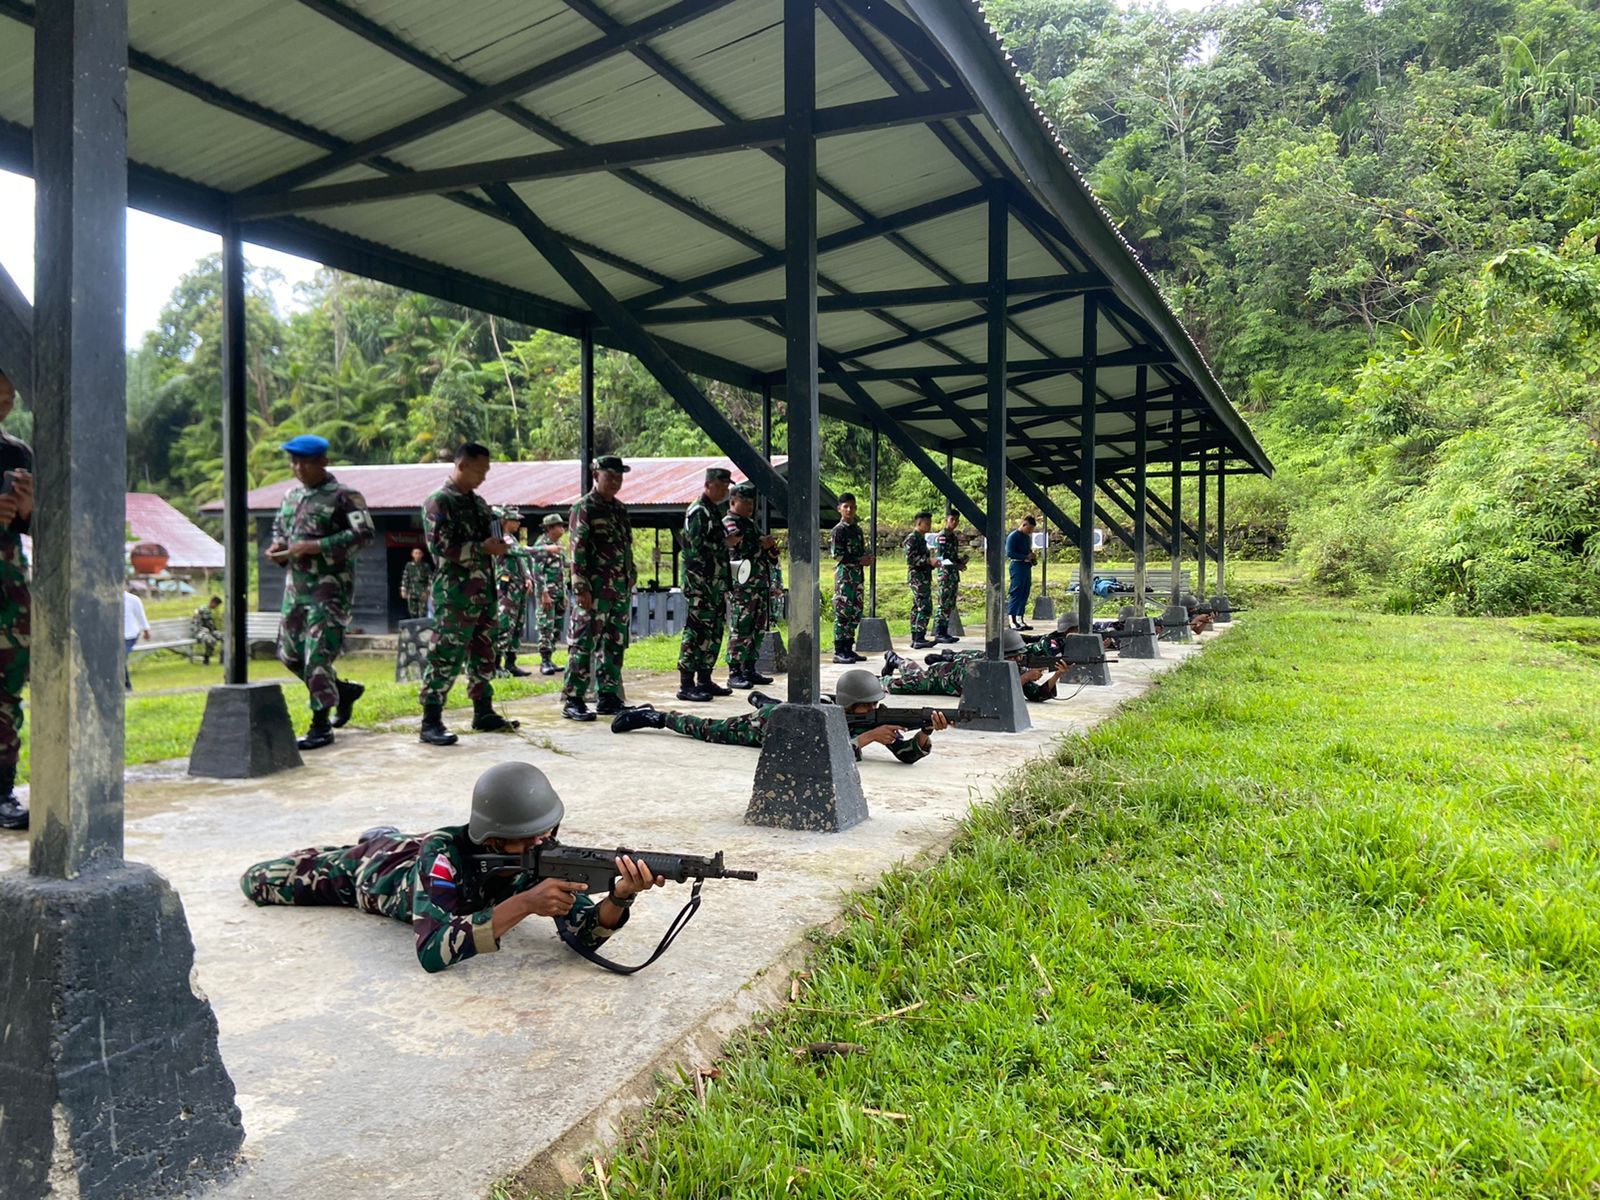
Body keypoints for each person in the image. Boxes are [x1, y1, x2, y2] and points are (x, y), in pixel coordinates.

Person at [239, 762, 666, 974]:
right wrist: (523, 904)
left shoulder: (541, 854)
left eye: (546, 831)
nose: (542, 842)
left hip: (412, 853)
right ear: (494, 836)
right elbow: (431, 951)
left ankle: (382, 833)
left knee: (396, 840)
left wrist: (618, 896)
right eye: (529, 836)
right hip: (369, 874)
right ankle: (375, 839)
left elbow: (586, 932)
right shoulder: (441, 856)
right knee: (257, 881)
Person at [267, 434, 375, 750]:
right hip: (296, 589)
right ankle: (341, 690)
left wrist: (315, 546)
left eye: (305, 462)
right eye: (294, 462)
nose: (298, 468)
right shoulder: (291, 497)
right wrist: (277, 547)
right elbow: (279, 531)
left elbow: (364, 535)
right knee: (288, 655)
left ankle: (320, 725)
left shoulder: (345, 497)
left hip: (329, 591)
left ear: (323, 462)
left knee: (317, 655)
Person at [610, 668, 946, 764]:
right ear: (847, 705)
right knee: (708, 729)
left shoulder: (871, 717)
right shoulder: (824, 715)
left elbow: (905, 754)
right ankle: (655, 716)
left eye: (875, 705)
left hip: (788, 711)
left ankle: (762, 698)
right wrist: (868, 738)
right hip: (771, 725)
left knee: (781, 702)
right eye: (867, 706)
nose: (874, 711)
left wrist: (924, 733)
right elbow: (825, 754)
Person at [417, 443, 517, 746]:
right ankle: (430, 721)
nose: (483, 477)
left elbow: (493, 534)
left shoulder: (479, 503)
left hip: (484, 591)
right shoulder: (439, 501)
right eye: (480, 470)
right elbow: (440, 546)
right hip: (455, 595)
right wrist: (482, 548)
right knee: (445, 655)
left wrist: (500, 544)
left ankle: (483, 712)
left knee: (484, 653)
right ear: (461, 465)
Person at [562, 454, 635, 722]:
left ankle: (609, 697)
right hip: (593, 590)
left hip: (617, 590)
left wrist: (631, 574)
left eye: (619, 477)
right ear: (596, 476)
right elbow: (576, 550)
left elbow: (626, 546)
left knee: (614, 644)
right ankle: (573, 699)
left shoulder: (619, 509)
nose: (615, 482)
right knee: (583, 643)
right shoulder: (584, 507)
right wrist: (580, 587)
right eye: (610, 477)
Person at [0, 368, 33, 831]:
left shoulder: (17, 452)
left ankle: (2, 792)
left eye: (8, 397)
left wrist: (27, 511)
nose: (3, 404)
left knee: (7, 691)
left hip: (8, 589)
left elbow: (41, 528)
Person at [675, 466, 733, 702]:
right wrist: (724, 542)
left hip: (715, 584)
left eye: (727, 487)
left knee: (714, 630)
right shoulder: (699, 511)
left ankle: (705, 679)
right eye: (720, 486)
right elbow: (695, 549)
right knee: (697, 631)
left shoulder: (713, 511)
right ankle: (686, 683)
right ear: (708, 485)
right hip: (702, 584)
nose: (724, 491)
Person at [880, 629, 1065, 703]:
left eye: (1019, 656)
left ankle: (897, 661)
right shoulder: (981, 665)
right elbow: (988, 692)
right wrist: (1025, 678)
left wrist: (1057, 674)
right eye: (1013, 657)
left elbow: (1036, 695)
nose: (1018, 660)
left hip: (951, 672)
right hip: (941, 679)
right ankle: (886, 672)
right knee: (902, 686)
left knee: (915, 674)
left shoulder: (1016, 670)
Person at [722, 481, 776, 689]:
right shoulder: (729, 522)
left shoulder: (751, 524)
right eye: (745, 502)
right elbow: (736, 546)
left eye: (751, 502)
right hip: (742, 586)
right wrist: (760, 544)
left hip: (758, 583)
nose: (749, 506)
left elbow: (762, 546)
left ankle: (749, 668)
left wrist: (769, 548)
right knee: (741, 626)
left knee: (758, 627)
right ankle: (734, 671)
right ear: (733, 501)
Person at [491, 506, 536, 678]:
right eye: (514, 520)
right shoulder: (500, 538)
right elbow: (519, 552)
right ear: (504, 521)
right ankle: (495, 665)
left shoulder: (512, 538)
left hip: (518, 588)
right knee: (504, 625)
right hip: (507, 588)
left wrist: (527, 577)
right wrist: (544, 549)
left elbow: (520, 561)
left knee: (516, 627)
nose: (518, 523)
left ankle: (510, 664)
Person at [829, 493, 872, 664]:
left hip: (857, 577)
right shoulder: (838, 530)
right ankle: (839, 650)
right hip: (845, 577)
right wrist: (859, 560)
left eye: (852, 507)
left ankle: (848, 647)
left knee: (855, 612)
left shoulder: (857, 530)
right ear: (839, 508)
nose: (849, 510)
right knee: (843, 612)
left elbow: (860, 552)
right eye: (846, 506)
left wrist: (866, 558)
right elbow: (837, 555)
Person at [530, 513, 568, 676]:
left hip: (558, 591)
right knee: (546, 625)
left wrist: (565, 593)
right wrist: (544, 593)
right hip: (547, 593)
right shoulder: (542, 545)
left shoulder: (557, 544)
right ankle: (544, 661)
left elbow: (561, 570)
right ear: (550, 529)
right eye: (559, 526)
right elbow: (537, 572)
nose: (562, 528)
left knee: (557, 625)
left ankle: (550, 658)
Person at [904, 510, 936, 650]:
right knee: (924, 606)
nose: (929, 526)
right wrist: (928, 561)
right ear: (918, 523)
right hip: (918, 577)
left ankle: (917, 636)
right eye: (926, 523)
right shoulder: (913, 538)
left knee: (918, 606)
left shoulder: (921, 539)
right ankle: (919, 637)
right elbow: (910, 559)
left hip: (923, 576)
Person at [933, 509, 966, 644]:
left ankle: (944, 631)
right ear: (947, 519)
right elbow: (941, 558)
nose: (955, 523)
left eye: (957, 520)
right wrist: (955, 565)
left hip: (952, 575)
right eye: (952, 520)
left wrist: (960, 562)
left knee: (950, 604)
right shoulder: (942, 536)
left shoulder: (953, 537)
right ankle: (939, 632)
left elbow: (951, 557)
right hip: (945, 575)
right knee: (943, 603)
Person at [1005, 515, 1038, 631]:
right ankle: (1012, 619)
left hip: (1026, 566)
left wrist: (1032, 557)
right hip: (1017, 565)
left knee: (1025, 591)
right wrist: (1025, 556)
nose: (1029, 532)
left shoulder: (1026, 538)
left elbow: (1028, 550)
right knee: (1016, 591)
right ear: (1024, 525)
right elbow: (1009, 553)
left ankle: (1020, 618)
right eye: (1029, 529)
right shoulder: (1013, 536)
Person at [123, 585, 151, 691]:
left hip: (130, 635)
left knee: (121, 656)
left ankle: (126, 686)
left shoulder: (133, 600)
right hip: (115, 635)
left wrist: (146, 631)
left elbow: (141, 616)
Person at [400, 547, 433, 620]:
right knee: (412, 612)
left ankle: (422, 629)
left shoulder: (426, 566)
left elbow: (430, 580)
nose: (417, 555)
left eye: (419, 553)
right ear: (412, 555)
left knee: (423, 612)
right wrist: (403, 590)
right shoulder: (409, 565)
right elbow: (405, 578)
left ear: (422, 555)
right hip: (411, 592)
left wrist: (427, 592)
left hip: (422, 592)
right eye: (415, 553)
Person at [191, 595, 223, 665]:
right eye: (216, 605)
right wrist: (196, 615)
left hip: (210, 631)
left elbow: (210, 624)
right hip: (200, 632)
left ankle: (223, 658)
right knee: (211, 640)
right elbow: (197, 611)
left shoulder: (210, 611)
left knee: (224, 637)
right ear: (213, 603)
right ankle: (206, 658)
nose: (216, 607)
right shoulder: (204, 608)